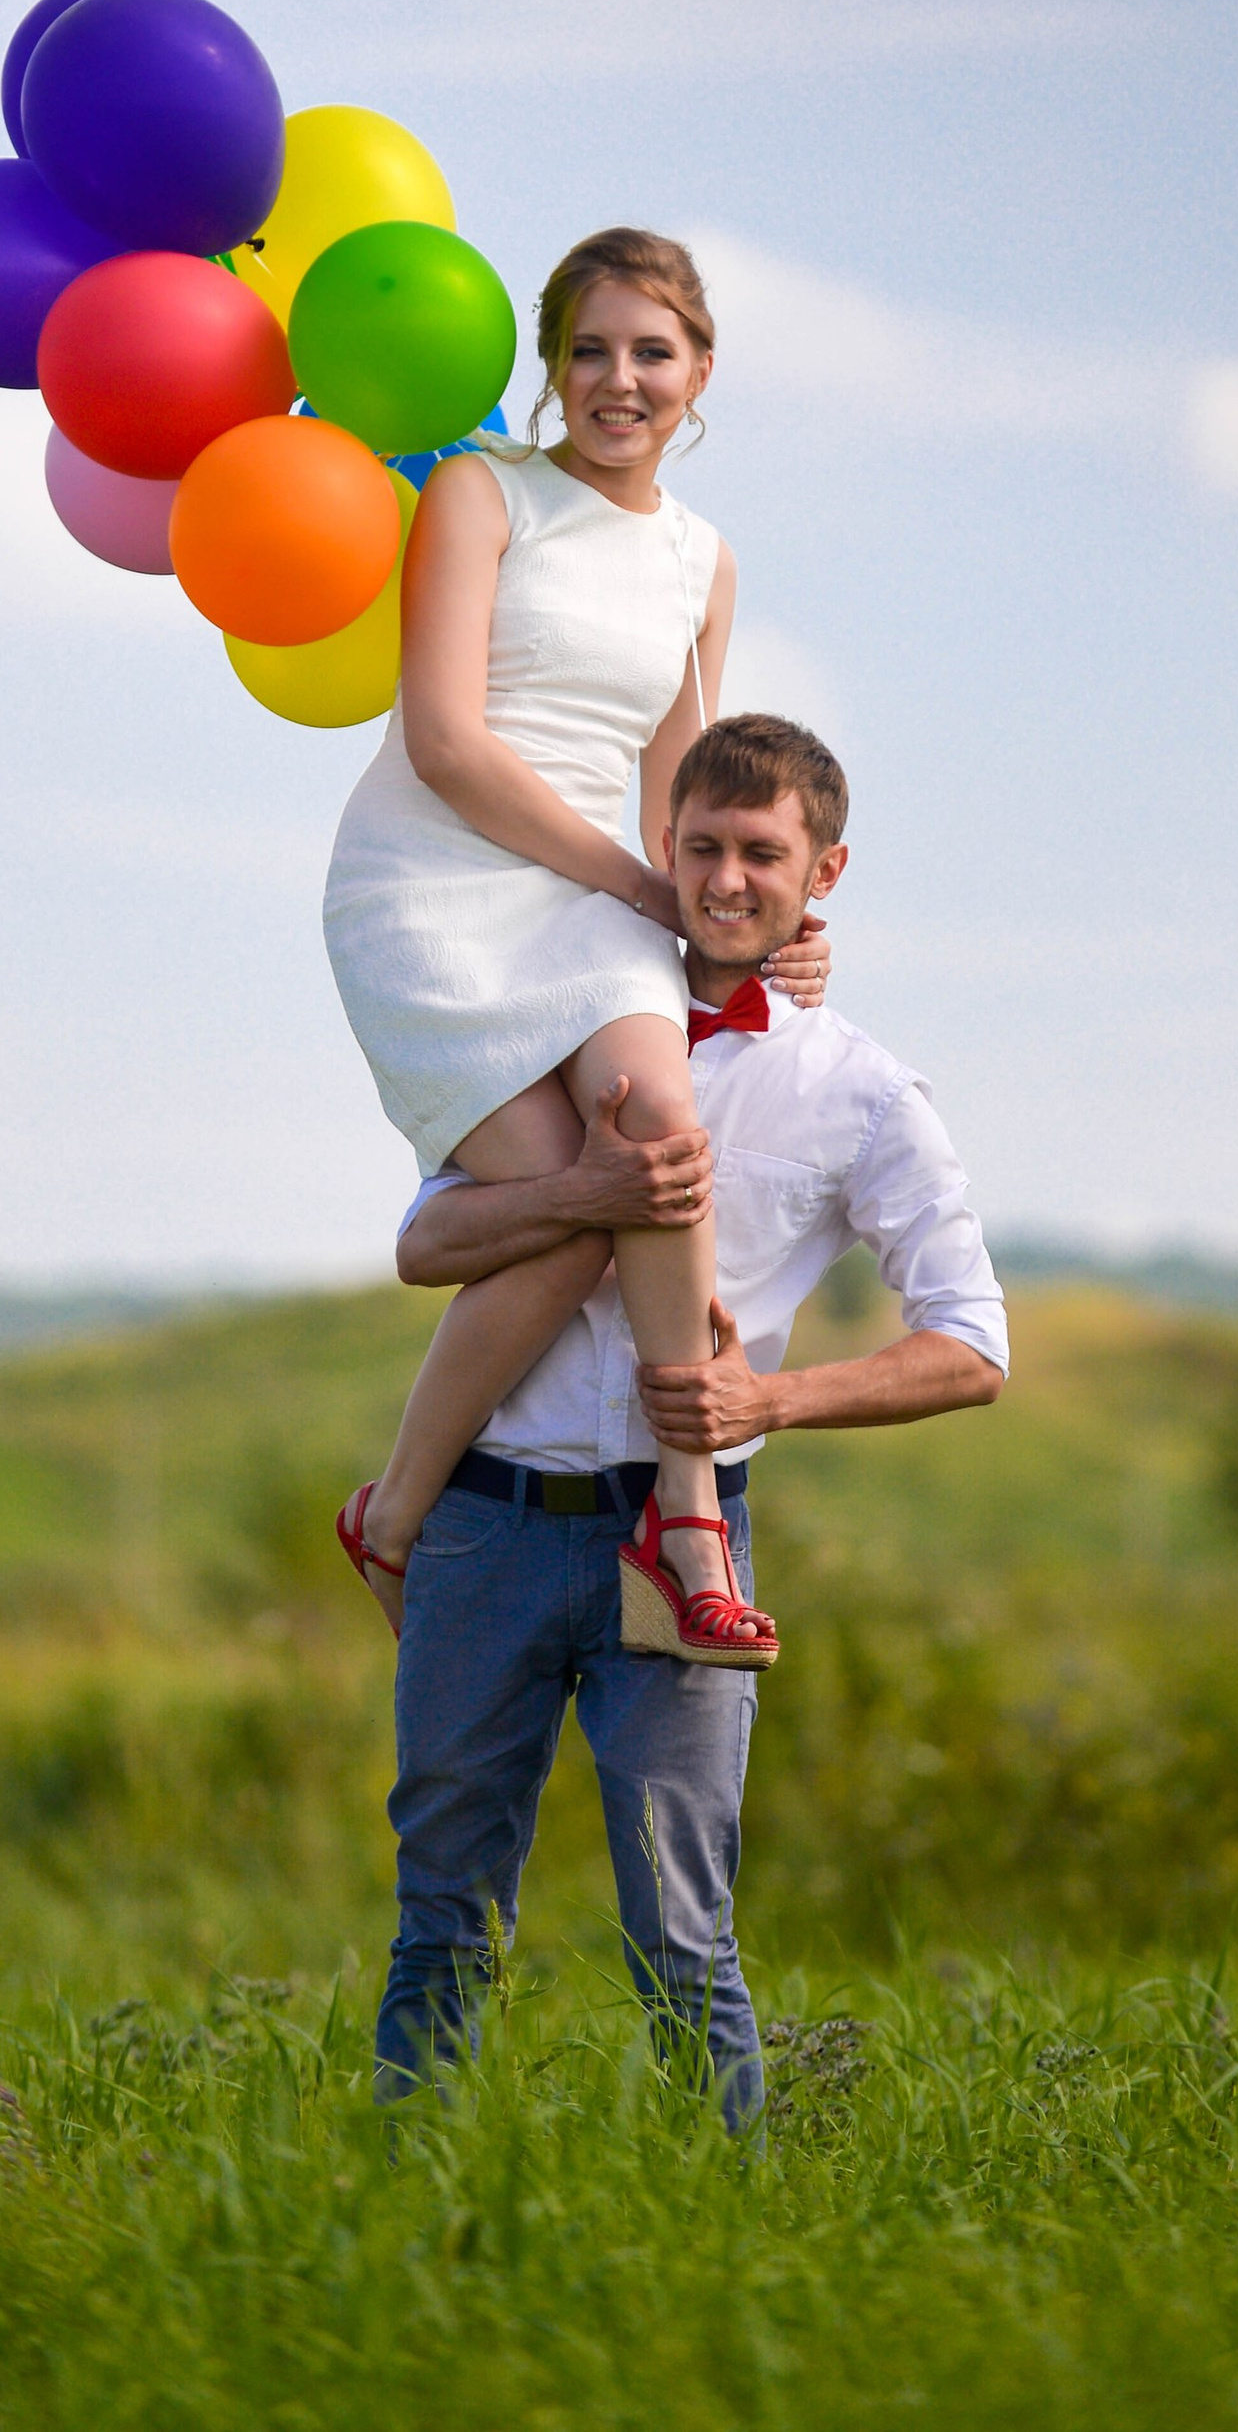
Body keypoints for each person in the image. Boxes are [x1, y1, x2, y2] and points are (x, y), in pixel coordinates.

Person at [377, 711, 1008, 2125]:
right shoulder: (562, 1033)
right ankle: (401, 2203)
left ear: (824, 872)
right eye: (704, 846)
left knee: (681, 1928)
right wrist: (585, 1197)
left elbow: (972, 1346)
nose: (728, 879)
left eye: (763, 855)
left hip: (684, 1538)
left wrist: (767, 1397)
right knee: (443, 1909)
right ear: (662, 849)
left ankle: (727, 2211)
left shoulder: (860, 1094)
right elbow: (426, 1250)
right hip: (488, 1522)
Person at [322, 227, 824, 1669]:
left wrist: (752, 929)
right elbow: (446, 743)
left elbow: (682, 791)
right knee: (573, 1203)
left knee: (660, 1136)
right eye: (589, 352)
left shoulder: (702, 561)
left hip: (598, 885)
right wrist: (637, 886)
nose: (619, 381)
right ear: (550, 370)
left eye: (651, 352)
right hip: (430, 884)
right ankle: (395, 1513)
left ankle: (683, 1525)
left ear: (700, 371)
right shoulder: (486, 496)